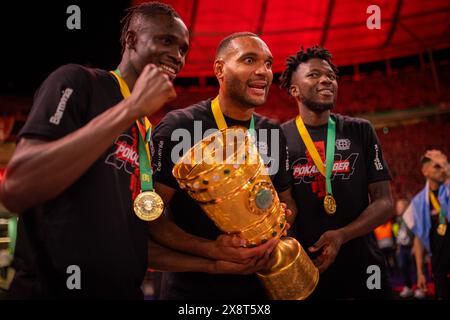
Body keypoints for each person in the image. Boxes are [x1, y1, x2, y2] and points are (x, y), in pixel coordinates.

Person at [0, 2, 189, 299]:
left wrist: (219, 260)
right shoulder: (77, 81)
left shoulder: (147, 131)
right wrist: (130, 108)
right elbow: (17, 187)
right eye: (166, 40)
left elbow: (135, 247)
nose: (177, 56)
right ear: (131, 40)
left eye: (183, 49)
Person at [147, 32, 296, 300]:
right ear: (220, 69)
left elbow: (288, 201)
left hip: (258, 289)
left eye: (268, 64)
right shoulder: (180, 127)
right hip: (192, 291)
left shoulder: (273, 131)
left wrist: (280, 219)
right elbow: (151, 217)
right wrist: (212, 250)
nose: (263, 71)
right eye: (249, 60)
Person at [280, 46, 394, 299]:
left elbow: (385, 202)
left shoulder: (361, 130)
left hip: (365, 266)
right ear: (294, 90)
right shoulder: (279, 138)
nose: (326, 80)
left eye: (330, 75)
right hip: (307, 270)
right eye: (314, 75)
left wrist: (343, 234)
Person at [404, 150, 450, 299]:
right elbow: (419, 238)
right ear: (425, 172)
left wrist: (445, 165)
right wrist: (420, 272)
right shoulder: (418, 202)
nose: (441, 169)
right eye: (436, 166)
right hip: (438, 264)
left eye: (443, 165)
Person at [394, 198, 417, 298]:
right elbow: (399, 234)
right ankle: (408, 286)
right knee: (403, 266)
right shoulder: (398, 219)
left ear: (406, 206)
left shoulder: (412, 217)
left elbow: (416, 232)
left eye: (399, 206)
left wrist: (415, 246)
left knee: (414, 267)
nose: (397, 208)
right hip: (402, 248)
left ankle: (418, 287)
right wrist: (398, 247)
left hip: (411, 246)